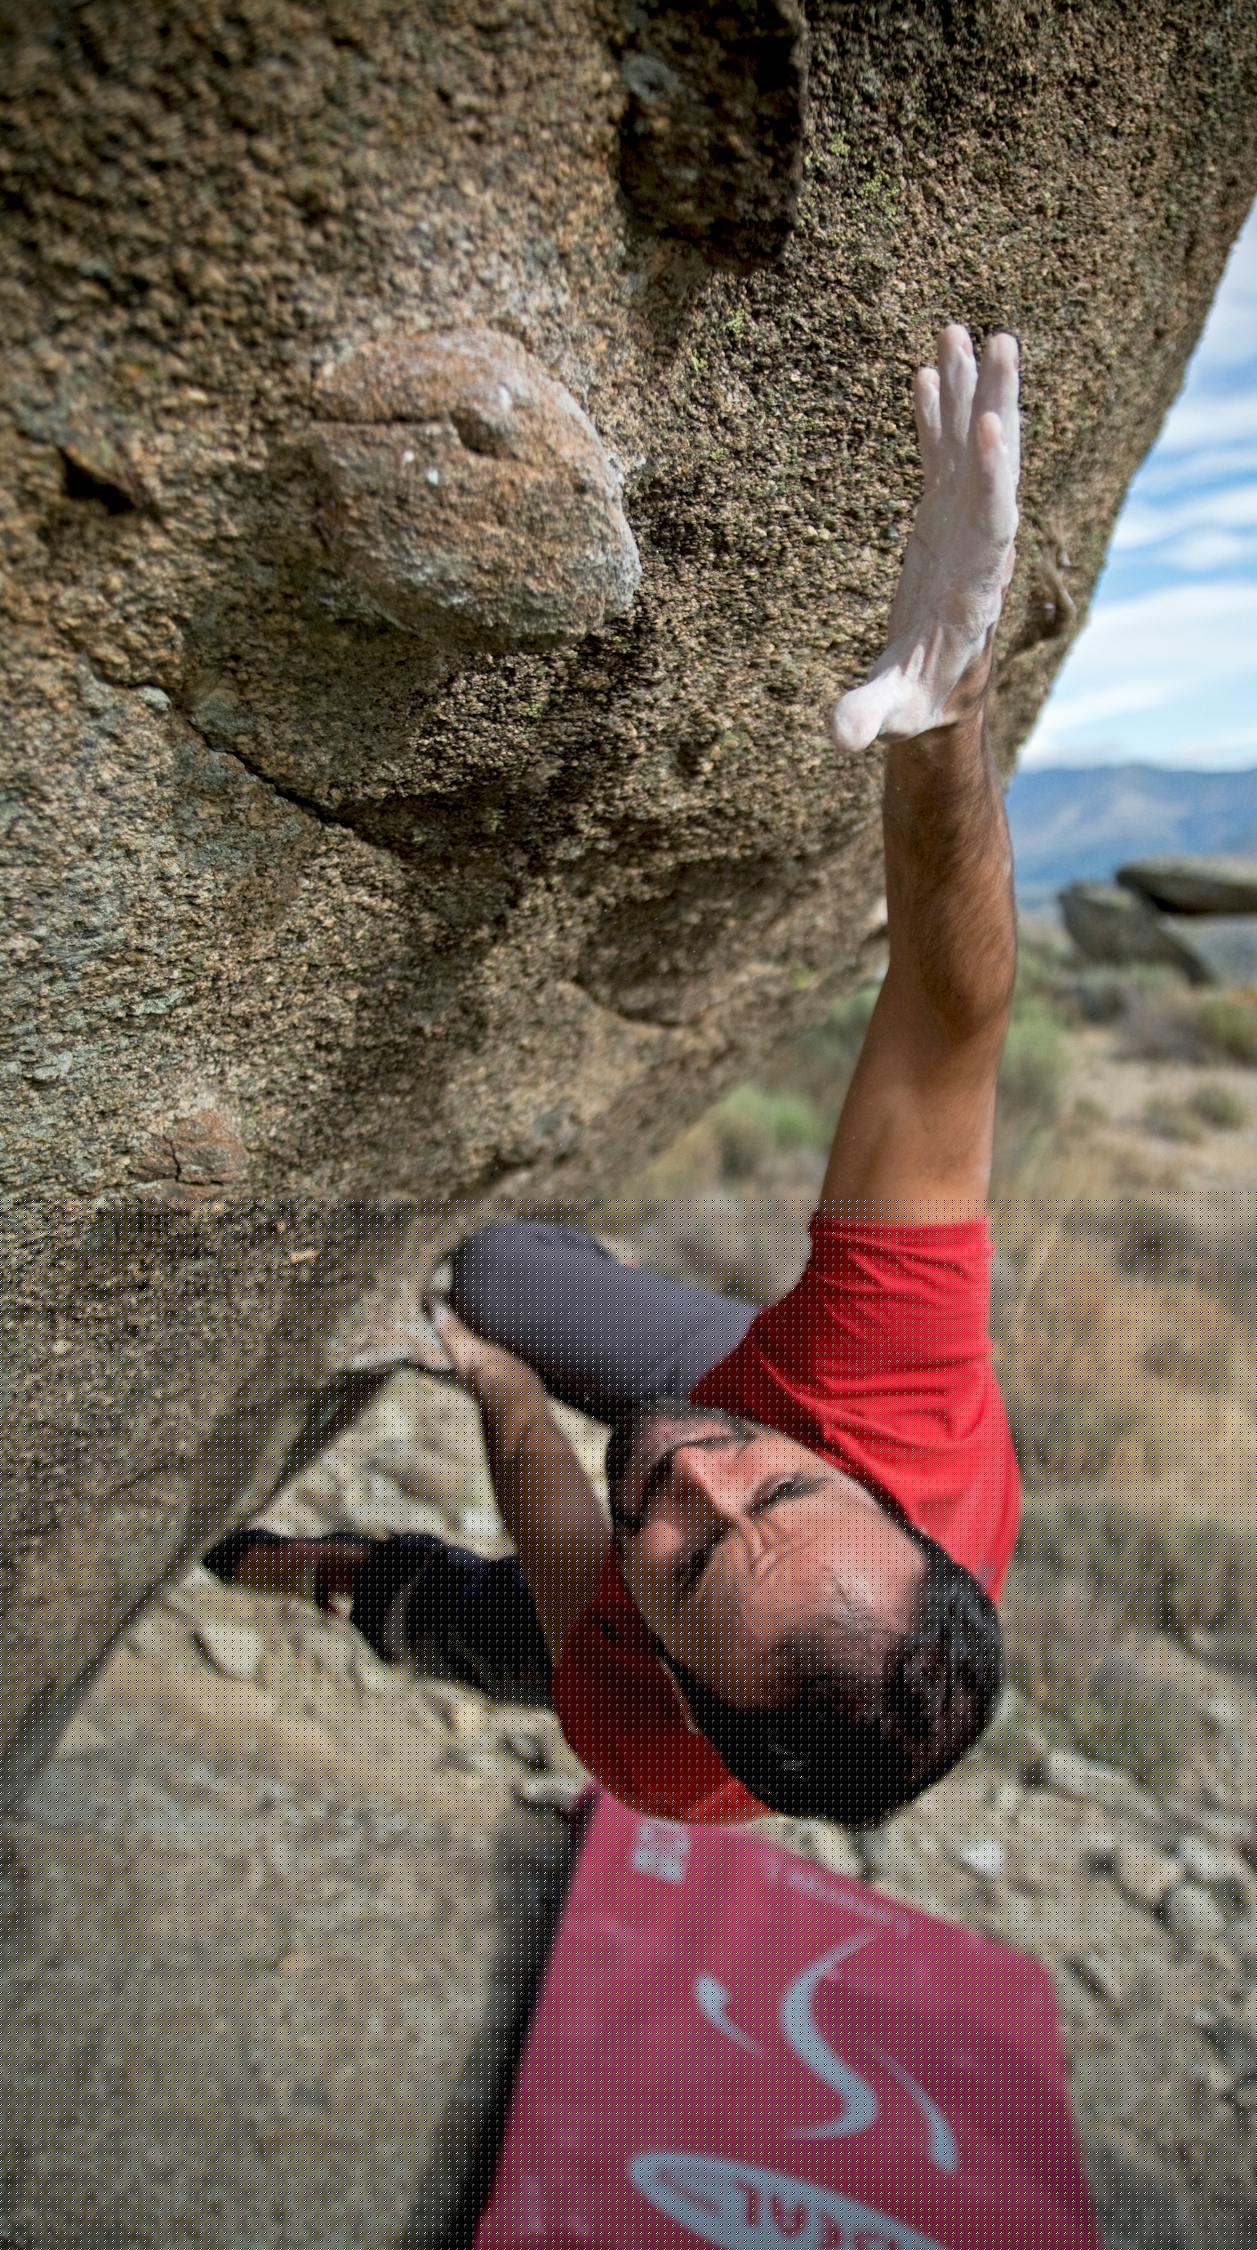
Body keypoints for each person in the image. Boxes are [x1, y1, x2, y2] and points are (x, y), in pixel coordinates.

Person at [207, 324, 1026, 1830]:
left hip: (607, 1639)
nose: (696, 1476)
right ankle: (568, 1355)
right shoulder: (882, 1403)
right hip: (801, 1396)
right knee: (503, 1269)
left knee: (489, 1617)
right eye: (779, 1492)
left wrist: (504, 1394)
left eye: (699, 1559)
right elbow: (945, 1018)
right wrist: (948, 720)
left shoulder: (647, 1737)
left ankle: (340, 1579)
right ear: (871, 1495)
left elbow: (567, 1510)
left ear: (687, 1680)